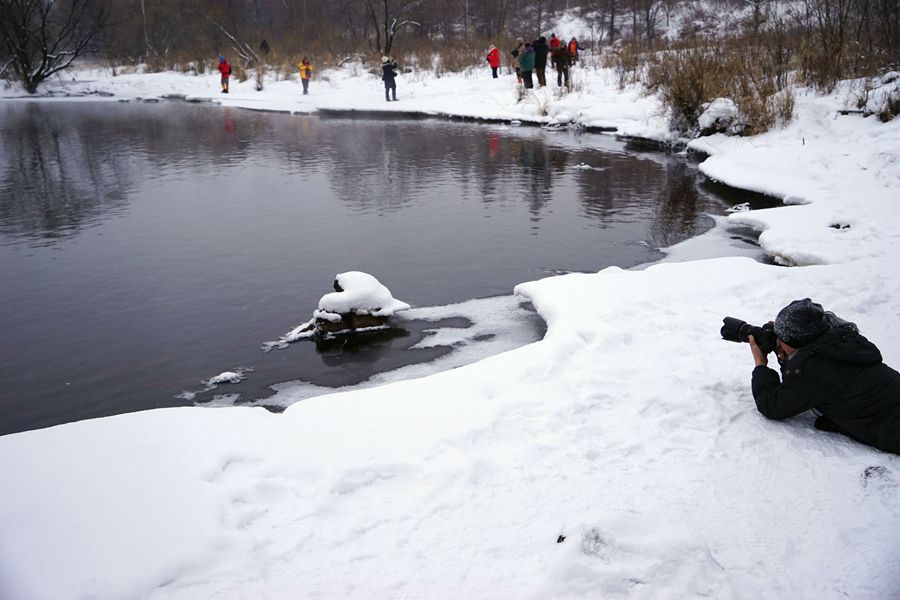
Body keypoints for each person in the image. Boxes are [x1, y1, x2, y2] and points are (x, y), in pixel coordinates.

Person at [749, 298, 900, 454]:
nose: (778, 340)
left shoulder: (813, 368)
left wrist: (761, 365)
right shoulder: (843, 340)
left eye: (780, 337)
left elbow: (771, 405)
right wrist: (786, 357)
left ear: (795, 339)